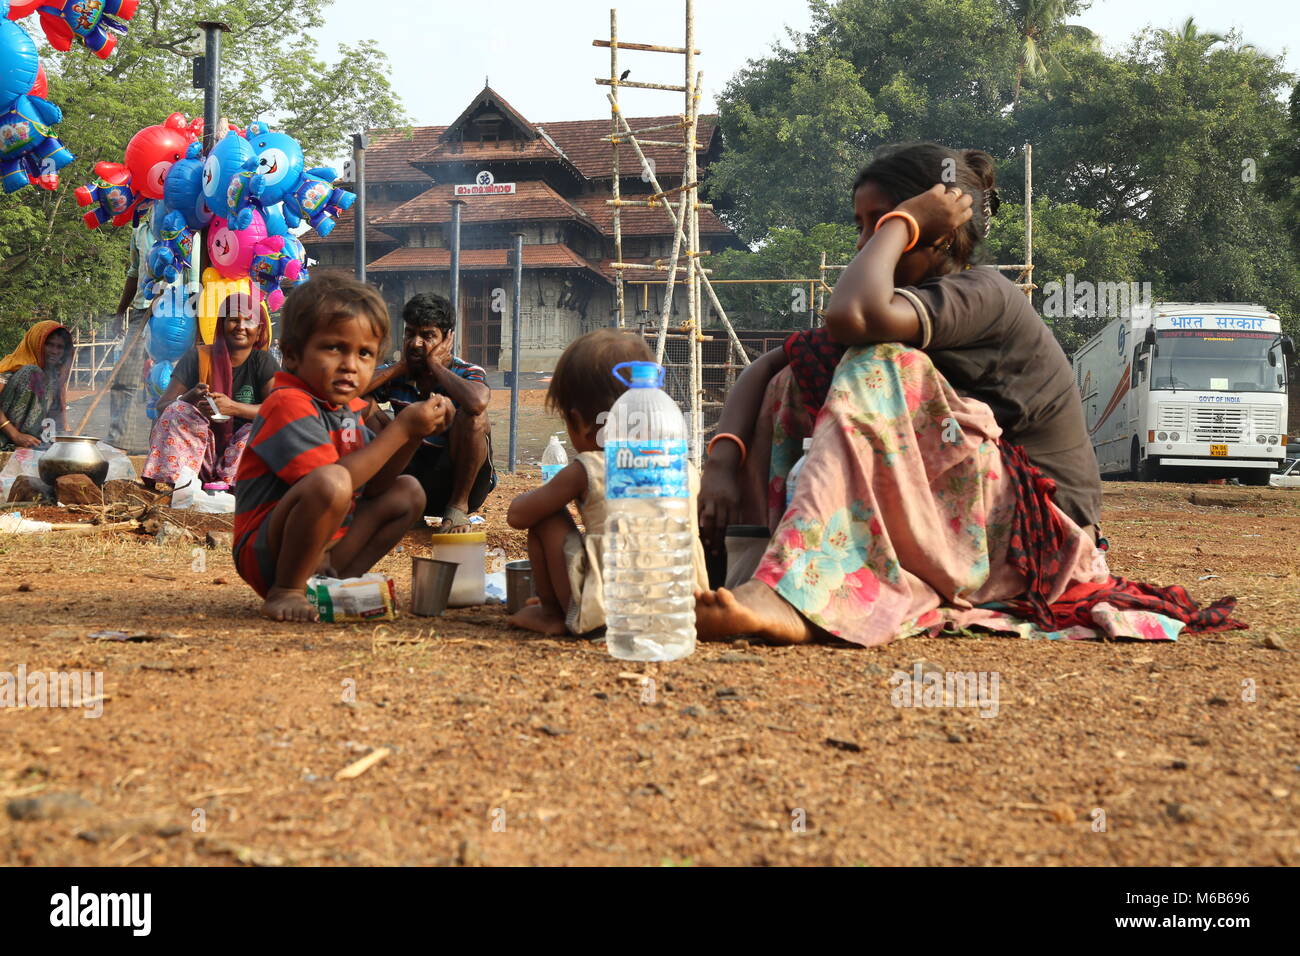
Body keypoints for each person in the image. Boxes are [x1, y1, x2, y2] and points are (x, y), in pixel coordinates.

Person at [695, 143, 1242, 646]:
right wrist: (721, 462)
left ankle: (802, 594)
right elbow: (771, 367)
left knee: (883, 363)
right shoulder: (911, 302)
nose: (864, 242)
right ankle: (754, 571)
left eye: (880, 225)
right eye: (862, 226)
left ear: (936, 232)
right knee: (798, 374)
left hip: (1041, 539)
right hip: (973, 523)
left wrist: (905, 220)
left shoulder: (984, 294)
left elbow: (850, 316)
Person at [233, 275, 453, 622]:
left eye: (365, 353)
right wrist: (401, 427)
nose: (351, 365)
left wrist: (413, 434)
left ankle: (337, 583)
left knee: (408, 492)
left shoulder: (347, 411)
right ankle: (287, 590)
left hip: (326, 547)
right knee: (332, 482)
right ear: (291, 354)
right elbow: (335, 483)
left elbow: (376, 486)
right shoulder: (288, 403)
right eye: (334, 347)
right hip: (268, 554)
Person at [505, 329, 709, 636]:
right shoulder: (685, 467)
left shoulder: (589, 466)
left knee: (545, 519)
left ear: (580, 422)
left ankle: (551, 613)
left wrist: (545, 499)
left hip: (608, 611)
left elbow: (517, 516)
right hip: (680, 605)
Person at [365, 293, 495, 531]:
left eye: (427, 336)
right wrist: (401, 366)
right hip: (408, 478)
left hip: (457, 482)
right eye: (410, 333)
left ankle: (456, 510)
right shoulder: (398, 372)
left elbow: (477, 402)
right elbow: (347, 393)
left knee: (475, 417)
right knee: (362, 403)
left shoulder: (467, 371)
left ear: (447, 339)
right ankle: (403, 503)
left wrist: (434, 365)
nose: (415, 343)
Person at [143, 291, 279, 488]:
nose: (241, 327)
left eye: (249, 321)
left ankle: (231, 484)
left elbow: (279, 411)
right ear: (222, 325)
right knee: (176, 410)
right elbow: (163, 406)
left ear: (258, 330)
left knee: (263, 428)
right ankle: (182, 482)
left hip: (241, 456)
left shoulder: (263, 362)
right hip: (199, 452)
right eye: (233, 320)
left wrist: (233, 408)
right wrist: (189, 399)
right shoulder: (197, 357)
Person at [105, 216, 156, 453]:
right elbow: (134, 272)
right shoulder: (140, 229)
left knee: (170, 381)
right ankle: (119, 443)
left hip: (177, 311)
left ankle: (164, 446)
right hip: (140, 310)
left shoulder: (188, 223)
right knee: (125, 377)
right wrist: (119, 313)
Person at [0, 321, 73, 450]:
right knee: (34, 372)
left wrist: (66, 436)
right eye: (49, 344)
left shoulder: (52, 376)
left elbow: (57, 415)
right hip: (6, 436)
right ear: (37, 343)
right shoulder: (14, 367)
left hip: (30, 439)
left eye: (59, 347)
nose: (54, 351)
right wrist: (16, 435)